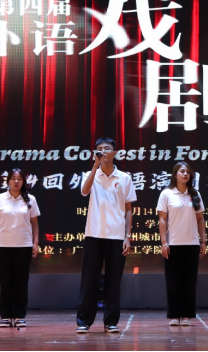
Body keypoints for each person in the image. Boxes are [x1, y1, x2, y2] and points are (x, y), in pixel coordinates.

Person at [76, 137, 137, 334]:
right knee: (90, 279)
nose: (103, 151)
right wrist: (95, 167)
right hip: (94, 233)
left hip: (116, 236)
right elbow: (84, 191)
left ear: (114, 153)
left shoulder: (124, 178)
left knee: (113, 281)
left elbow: (128, 209)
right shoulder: (90, 174)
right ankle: (84, 321)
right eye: (100, 149)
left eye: (107, 148)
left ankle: (111, 321)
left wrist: (127, 236)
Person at [157, 162, 207, 327]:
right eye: (182, 171)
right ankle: (174, 315)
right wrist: (164, 242)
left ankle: (186, 316)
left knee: (189, 282)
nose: (185, 174)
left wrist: (203, 241)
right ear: (175, 174)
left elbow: (200, 219)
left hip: (191, 244)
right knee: (173, 281)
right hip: (173, 244)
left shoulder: (195, 194)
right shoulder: (166, 194)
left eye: (188, 172)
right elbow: (162, 219)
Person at [0, 168, 40, 328]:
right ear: (8, 181)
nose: (16, 182)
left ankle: (19, 315)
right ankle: (5, 316)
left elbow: (35, 225)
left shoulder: (31, 199)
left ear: (23, 181)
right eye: (13, 178)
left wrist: (35, 243)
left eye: (19, 179)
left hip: (24, 245)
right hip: (4, 245)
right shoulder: (0, 198)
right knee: (6, 282)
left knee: (21, 283)